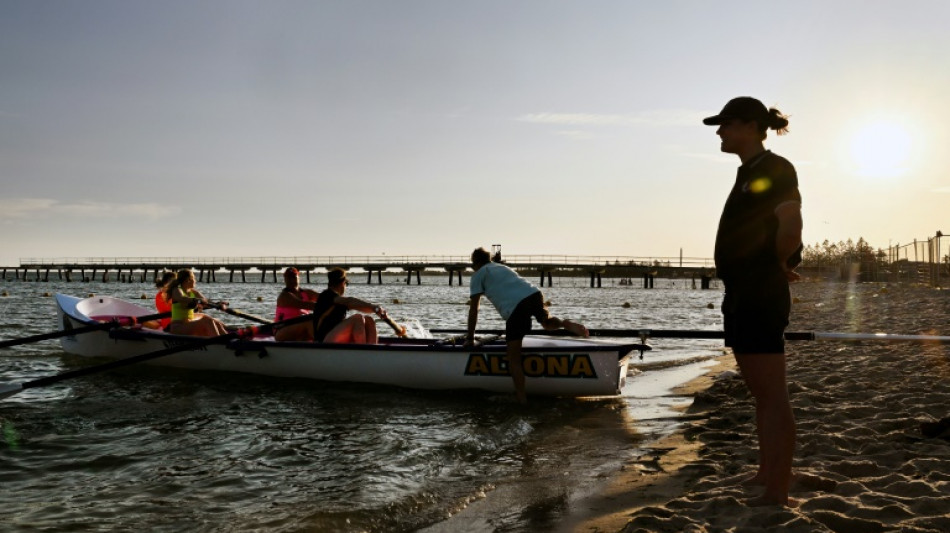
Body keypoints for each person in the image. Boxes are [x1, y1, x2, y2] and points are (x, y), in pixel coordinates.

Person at [704, 96, 803, 507]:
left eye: (725, 124)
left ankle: (778, 489)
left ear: (749, 126)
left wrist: (778, 262)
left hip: (759, 293)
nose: (719, 131)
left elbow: (791, 225)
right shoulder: (750, 171)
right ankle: (767, 472)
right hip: (744, 292)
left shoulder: (775, 168)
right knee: (760, 393)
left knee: (772, 395)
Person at [465, 247, 589, 404]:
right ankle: (564, 323)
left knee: (513, 357)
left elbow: (474, 309)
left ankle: (521, 398)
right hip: (534, 294)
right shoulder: (501, 267)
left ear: (476, 263)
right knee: (547, 323)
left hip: (516, 307)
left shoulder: (478, 275)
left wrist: (470, 337)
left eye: (472, 265)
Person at [311, 268, 390, 343]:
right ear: (343, 283)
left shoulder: (339, 301)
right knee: (358, 318)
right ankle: (362, 350)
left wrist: (376, 310)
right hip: (323, 340)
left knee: (369, 320)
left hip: (334, 337)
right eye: (346, 284)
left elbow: (360, 307)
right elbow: (349, 301)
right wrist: (373, 307)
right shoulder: (326, 295)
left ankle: (371, 349)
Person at [164, 269, 230, 337]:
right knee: (207, 322)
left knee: (213, 321)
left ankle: (227, 339)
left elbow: (206, 302)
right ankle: (218, 342)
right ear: (188, 279)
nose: (195, 281)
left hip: (189, 323)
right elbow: (181, 298)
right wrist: (196, 300)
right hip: (178, 326)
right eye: (194, 278)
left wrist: (218, 304)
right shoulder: (177, 290)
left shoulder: (194, 292)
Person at [274, 267, 319, 341]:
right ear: (285, 280)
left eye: (294, 277)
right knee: (309, 322)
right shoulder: (284, 296)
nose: (291, 280)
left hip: (299, 328)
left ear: (299, 278)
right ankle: (324, 344)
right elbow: (306, 305)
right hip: (281, 330)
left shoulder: (307, 293)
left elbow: (324, 298)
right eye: (289, 278)